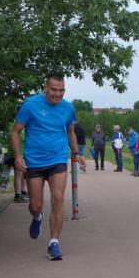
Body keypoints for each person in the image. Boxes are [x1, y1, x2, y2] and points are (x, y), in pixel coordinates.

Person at [10, 72, 85, 261]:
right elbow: (15, 132)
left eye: (61, 90)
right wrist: (18, 156)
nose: (58, 94)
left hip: (58, 159)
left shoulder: (67, 108)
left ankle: (54, 243)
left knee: (58, 197)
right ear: (45, 88)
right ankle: (37, 217)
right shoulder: (30, 105)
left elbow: (70, 132)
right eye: (54, 90)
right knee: (35, 206)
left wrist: (76, 152)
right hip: (34, 161)